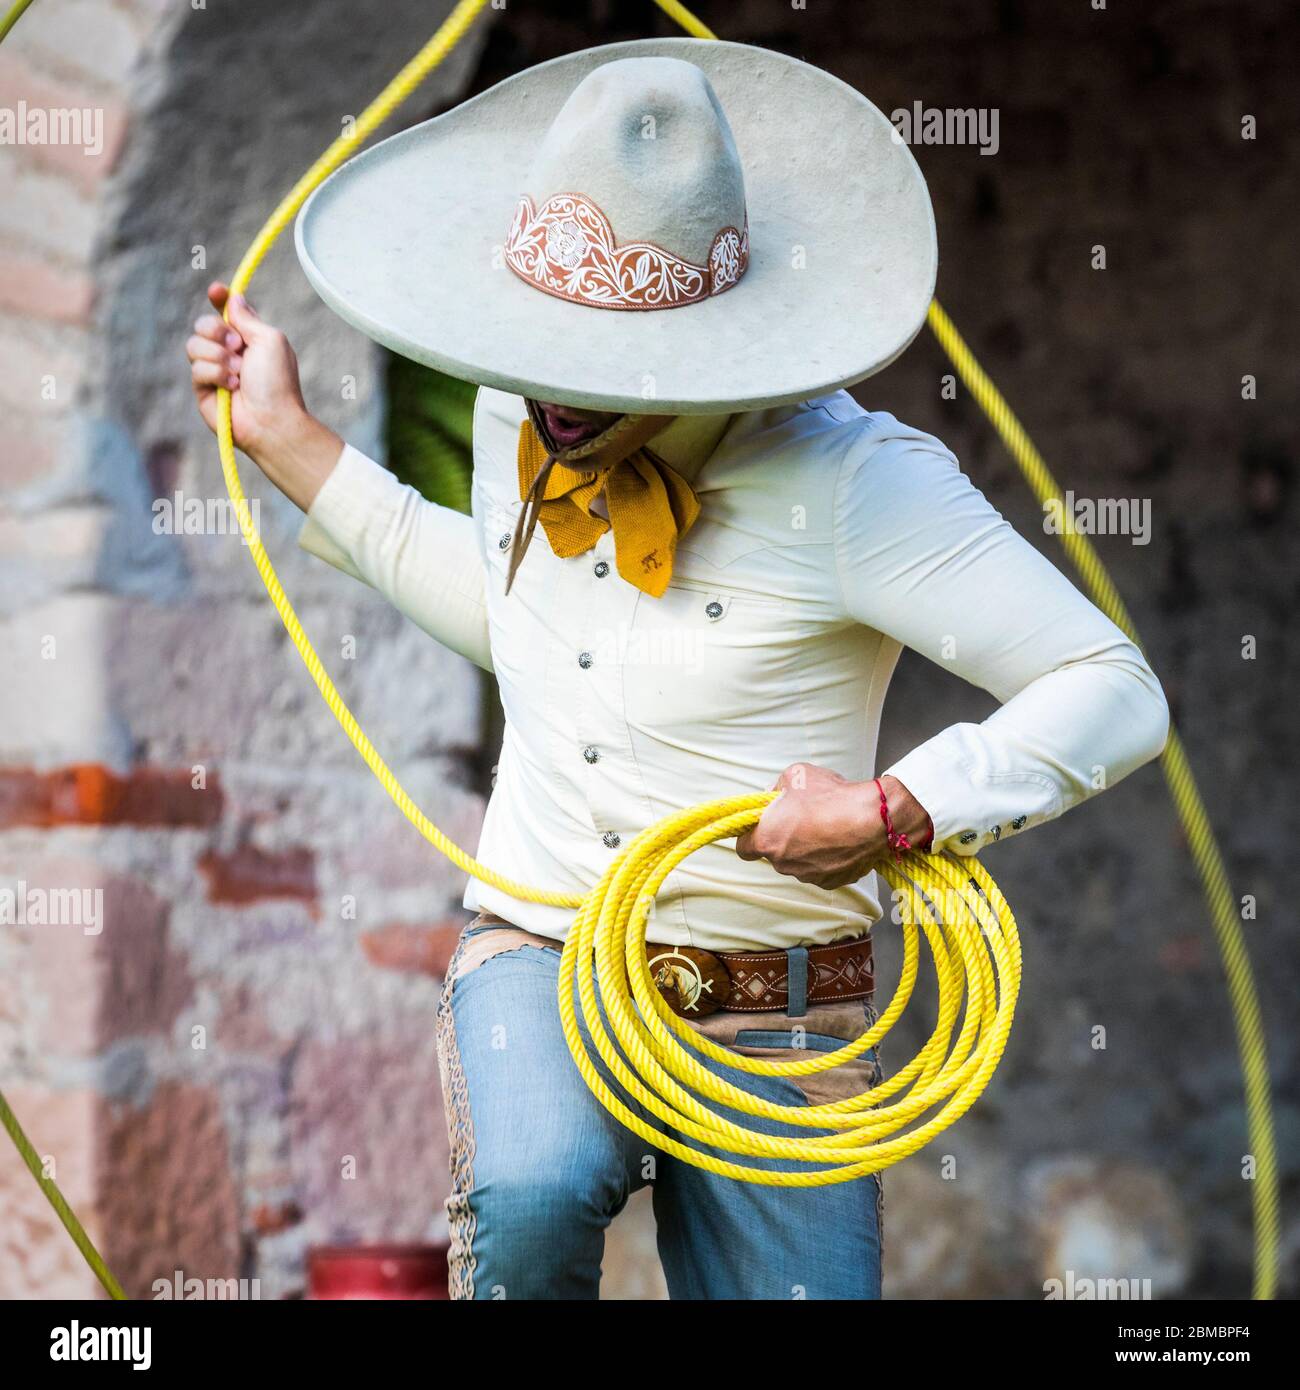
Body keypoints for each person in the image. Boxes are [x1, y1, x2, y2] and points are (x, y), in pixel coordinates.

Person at [187, 40, 1169, 1300]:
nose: (554, 396)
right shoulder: (519, 405)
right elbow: (521, 626)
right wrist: (288, 440)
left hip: (784, 1000)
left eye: (598, 370)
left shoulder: (859, 485)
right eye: (540, 353)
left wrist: (892, 813)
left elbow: (1112, 683)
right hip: (546, 944)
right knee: (529, 1196)